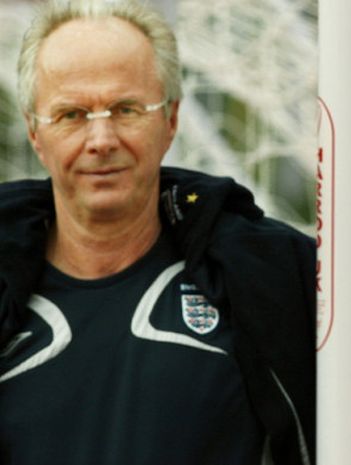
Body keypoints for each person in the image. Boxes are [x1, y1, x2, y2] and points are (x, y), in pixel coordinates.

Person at [0, 1, 315, 464]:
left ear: (170, 120)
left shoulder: (271, 280)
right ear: (33, 132)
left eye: (126, 109)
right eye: (71, 115)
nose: (101, 140)